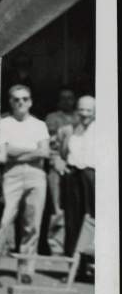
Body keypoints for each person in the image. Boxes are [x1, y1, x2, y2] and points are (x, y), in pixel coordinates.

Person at [0, 84, 50, 283]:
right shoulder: (4, 123)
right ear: (10, 102)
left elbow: (44, 152)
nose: (21, 102)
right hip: (12, 175)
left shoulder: (39, 125)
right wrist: (31, 151)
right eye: (16, 99)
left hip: (36, 175)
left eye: (25, 99)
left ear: (31, 101)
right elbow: (3, 155)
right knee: (3, 221)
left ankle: (26, 270)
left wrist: (15, 151)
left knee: (32, 223)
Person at [53, 95, 95, 266]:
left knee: (92, 220)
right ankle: (73, 265)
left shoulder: (104, 130)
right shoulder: (68, 130)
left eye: (89, 110)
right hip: (73, 177)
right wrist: (59, 162)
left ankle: (89, 262)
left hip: (93, 177)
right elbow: (56, 152)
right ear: (77, 110)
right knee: (72, 220)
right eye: (81, 109)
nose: (84, 114)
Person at [44, 87, 78, 255]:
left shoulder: (80, 117)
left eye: (70, 97)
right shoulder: (53, 117)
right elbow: (51, 144)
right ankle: (55, 243)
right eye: (63, 98)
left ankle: (72, 245)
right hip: (56, 165)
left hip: (76, 166)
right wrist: (56, 161)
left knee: (75, 206)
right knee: (56, 206)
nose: (67, 101)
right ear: (58, 100)